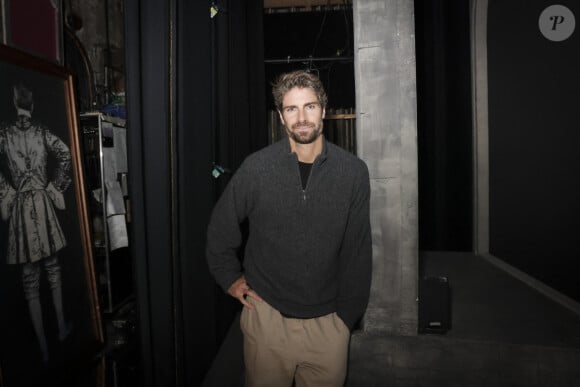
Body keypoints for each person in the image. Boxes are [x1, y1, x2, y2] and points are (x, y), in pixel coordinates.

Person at [206, 70, 372, 386]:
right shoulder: (257, 168)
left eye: (309, 106)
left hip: (328, 325)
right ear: (281, 117)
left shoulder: (353, 172)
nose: (301, 117)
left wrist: (345, 319)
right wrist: (230, 279)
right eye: (291, 109)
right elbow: (220, 229)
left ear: (324, 110)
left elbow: (358, 250)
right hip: (266, 319)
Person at [0, 84, 72, 363]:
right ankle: (61, 329)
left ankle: (43, 347)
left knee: (31, 279)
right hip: (42, 205)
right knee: (52, 269)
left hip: (20, 207)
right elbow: (66, 154)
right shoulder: (41, 131)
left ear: (13, 101)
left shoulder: (5, 133)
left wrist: (6, 192)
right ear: (33, 104)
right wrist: (54, 187)